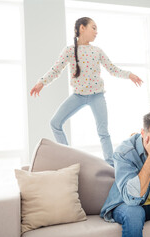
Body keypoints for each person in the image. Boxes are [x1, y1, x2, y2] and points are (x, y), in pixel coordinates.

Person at [30, 17, 143, 167]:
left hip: (97, 96)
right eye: (93, 28)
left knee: (103, 131)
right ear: (82, 28)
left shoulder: (97, 51)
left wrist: (129, 74)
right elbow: (56, 69)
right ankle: (68, 157)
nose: (96, 32)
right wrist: (41, 82)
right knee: (55, 123)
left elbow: (112, 69)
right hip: (78, 96)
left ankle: (110, 165)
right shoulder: (70, 50)